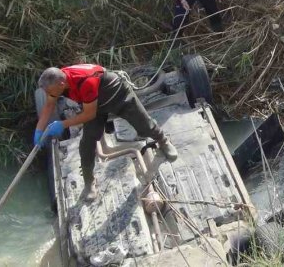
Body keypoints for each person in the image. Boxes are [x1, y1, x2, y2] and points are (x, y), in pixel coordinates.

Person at [35, 64, 179, 202]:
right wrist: (39, 131)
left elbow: (88, 115)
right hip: (95, 105)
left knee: (145, 125)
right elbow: (49, 105)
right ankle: (89, 182)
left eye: (50, 92)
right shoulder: (58, 82)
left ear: (61, 84)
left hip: (118, 96)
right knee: (87, 144)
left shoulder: (85, 82)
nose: (49, 95)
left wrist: (63, 124)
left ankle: (164, 142)